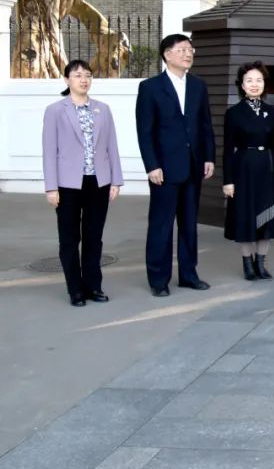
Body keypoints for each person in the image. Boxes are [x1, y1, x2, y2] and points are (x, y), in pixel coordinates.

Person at [136, 34, 215, 297]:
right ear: (167, 54)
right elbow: (145, 131)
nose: (188, 54)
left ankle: (189, 275)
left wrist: (208, 157)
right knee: (161, 225)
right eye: (181, 50)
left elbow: (205, 125)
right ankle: (158, 280)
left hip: (193, 166)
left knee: (189, 224)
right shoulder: (150, 87)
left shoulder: (198, 86)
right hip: (164, 169)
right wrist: (152, 165)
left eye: (190, 50)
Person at [42, 59, 123, 306]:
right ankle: (75, 290)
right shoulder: (55, 110)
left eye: (87, 75)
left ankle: (93, 286)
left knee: (93, 237)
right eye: (77, 75)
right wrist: (51, 187)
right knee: (69, 238)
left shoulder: (102, 109)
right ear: (67, 80)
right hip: (67, 184)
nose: (83, 79)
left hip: (98, 181)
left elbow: (112, 146)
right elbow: (49, 151)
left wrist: (116, 180)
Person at [222, 62, 274, 281]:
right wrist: (228, 180)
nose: (254, 84)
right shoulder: (233, 113)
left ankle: (261, 263)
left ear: (264, 84)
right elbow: (227, 149)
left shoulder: (270, 112)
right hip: (243, 168)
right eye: (249, 80)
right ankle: (247, 264)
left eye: (258, 80)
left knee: (266, 217)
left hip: (268, 169)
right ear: (242, 85)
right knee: (245, 215)